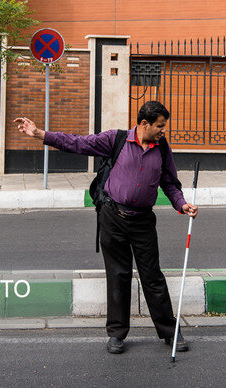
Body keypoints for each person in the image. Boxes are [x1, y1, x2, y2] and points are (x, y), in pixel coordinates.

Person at [14, 100, 198, 354]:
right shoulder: (116, 140)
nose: (163, 130)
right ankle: (117, 334)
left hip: (143, 220)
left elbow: (169, 182)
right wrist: (40, 134)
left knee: (152, 276)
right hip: (113, 217)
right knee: (118, 276)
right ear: (144, 123)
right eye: (160, 126)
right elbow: (78, 143)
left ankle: (169, 332)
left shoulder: (162, 147)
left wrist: (182, 205)